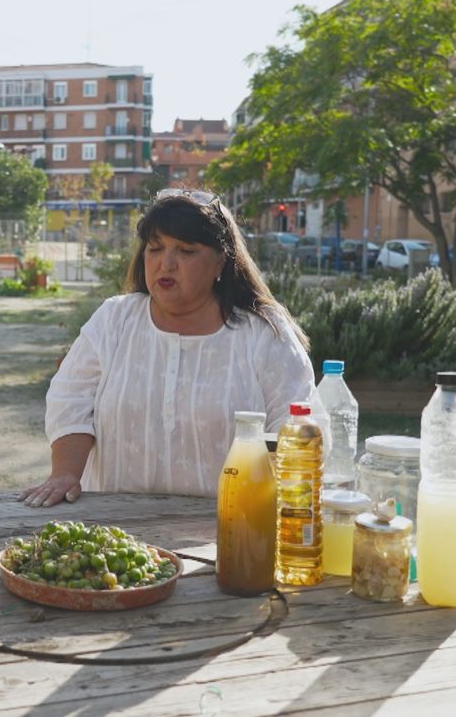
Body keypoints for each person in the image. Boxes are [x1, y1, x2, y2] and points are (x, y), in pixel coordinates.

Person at [21, 189, 314, 507]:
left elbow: (295, 425)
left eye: (186, 251)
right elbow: (71, 403)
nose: (166, 264)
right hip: (112, 530)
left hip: (227, 530)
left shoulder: (263, 331)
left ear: (221, 261)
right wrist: (65, 473)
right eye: (155, 249)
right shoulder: (115, 319)